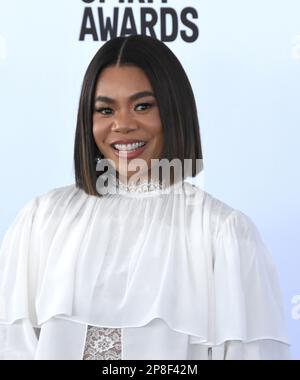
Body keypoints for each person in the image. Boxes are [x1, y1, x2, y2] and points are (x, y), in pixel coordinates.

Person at [0, 34, 290, 360]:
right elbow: (12, 346)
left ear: (173, 111)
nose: (122, 124)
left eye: (142, 106)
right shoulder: (42, 219)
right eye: (105, 109)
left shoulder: (224, 233)